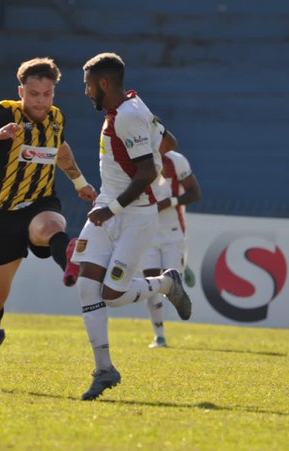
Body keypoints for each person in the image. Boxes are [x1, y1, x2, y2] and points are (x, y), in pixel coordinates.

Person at [0, 57, 96, 378]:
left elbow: (60, 149)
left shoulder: (57, 118)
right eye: (33, 93)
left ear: (53, 94)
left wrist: (79, 182)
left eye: (47, 94)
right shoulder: (7, 112)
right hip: (5, 215)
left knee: (49, 227)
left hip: (41, 203)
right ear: (21, 91)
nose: (40, 100)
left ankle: (70, 265)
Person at [69, 52, 192, 401]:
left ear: (104, 84)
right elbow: (169, 143)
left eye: (88, 84)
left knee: (114, 295)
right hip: (109, 207)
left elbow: (149, 172)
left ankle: (166, 283)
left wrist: (113, 208)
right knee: (87, 286)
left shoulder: (127, 116)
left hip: (134, 216)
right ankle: (104, 370)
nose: (86, 91)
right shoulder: (134, 106)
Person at [143, 150, 202, 348]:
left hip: (173, 232)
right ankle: (159, 336)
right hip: (147, 232)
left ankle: (183, 268)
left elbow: (195, 193)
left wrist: (171, 202)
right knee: (151, 285)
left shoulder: (177, 160)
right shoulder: (137, 157)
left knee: (173, 285)